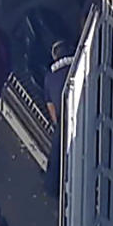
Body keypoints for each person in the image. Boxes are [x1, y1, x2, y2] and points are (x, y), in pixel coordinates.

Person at [43, 39, 75, 198]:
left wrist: (58, 127)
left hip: (64, 121)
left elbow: (51, 108)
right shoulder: (77, 69)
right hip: (79, 115)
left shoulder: (50, 77)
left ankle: (53, 187)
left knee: (57, 157)